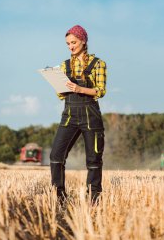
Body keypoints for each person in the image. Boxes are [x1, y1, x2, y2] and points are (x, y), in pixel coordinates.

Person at [49, 25, 107, 204]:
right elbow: (60, 95)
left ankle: (94, 198)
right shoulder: (64, 66)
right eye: (67, 44)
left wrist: (80, 88)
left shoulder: (98, 64)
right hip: (69, 115)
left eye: (73, 42)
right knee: (56, 156)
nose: (70, 46)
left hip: (91, 115)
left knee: (93, 158)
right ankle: (59, 197)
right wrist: (57, 84)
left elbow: (101, 91)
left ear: (83, 41)